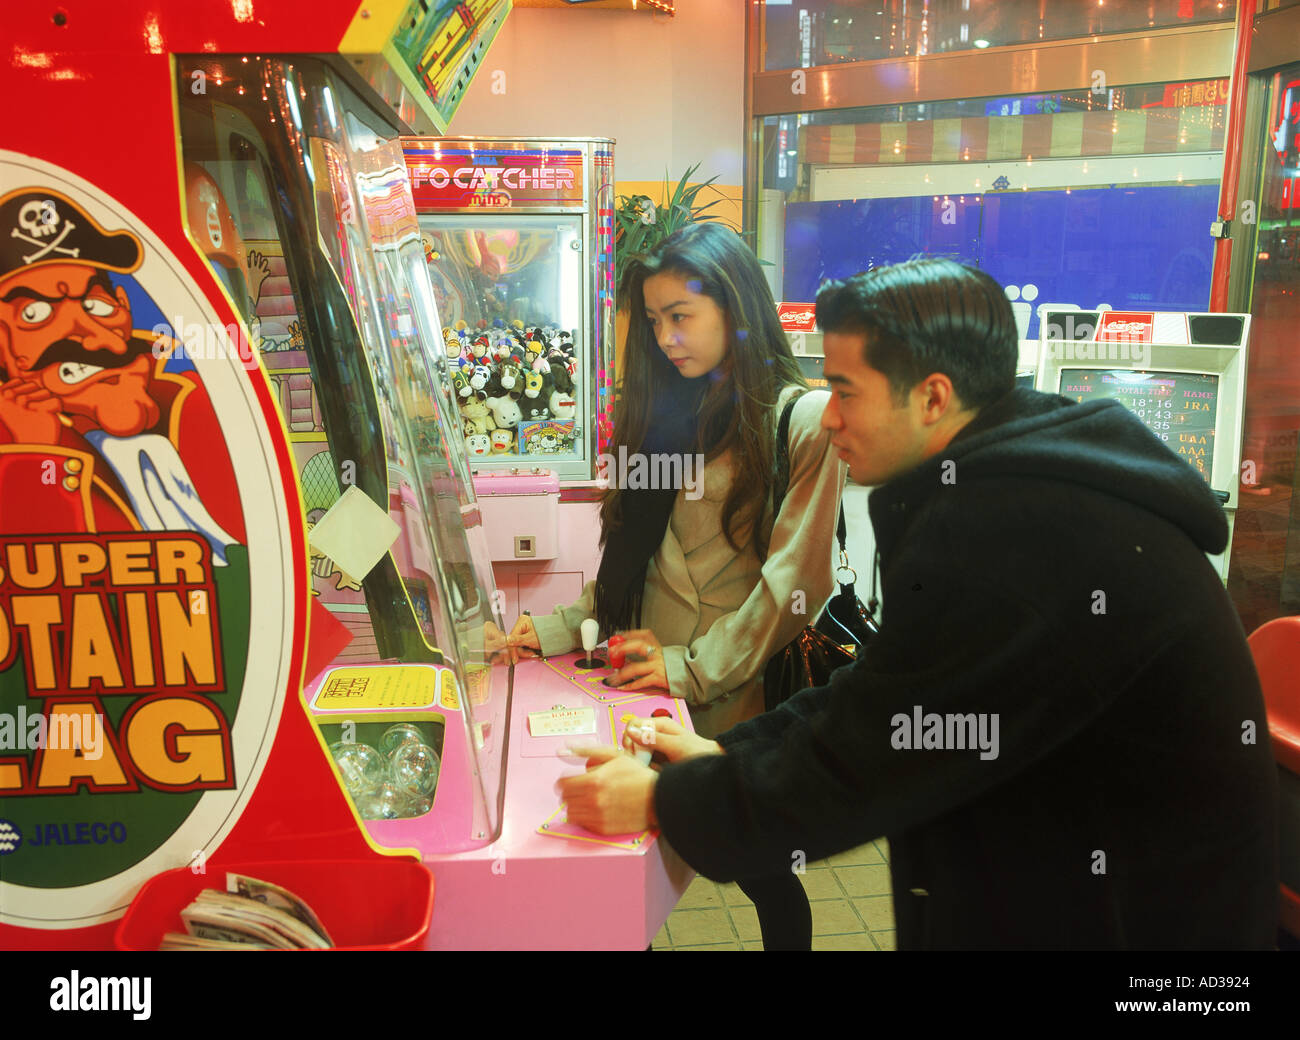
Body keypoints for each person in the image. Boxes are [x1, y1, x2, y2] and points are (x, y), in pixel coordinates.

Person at [559, 257, 1279, 950]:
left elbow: (868, 759)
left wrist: (665, 803)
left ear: (932, 396)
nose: (829, 417)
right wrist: (725, 749)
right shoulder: (999, 482)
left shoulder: (1018, 531)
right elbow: (883, 693)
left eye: (844, 391)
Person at [508, 221, 847, 949]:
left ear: (735, 307)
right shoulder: (665, 409)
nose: (666, 338)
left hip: (731, 689)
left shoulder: (803, 420)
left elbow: (798, 584)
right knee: (619, 849)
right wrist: (561, 628)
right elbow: (636, 556)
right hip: (641, 680)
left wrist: (694, 669)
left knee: (757, 863)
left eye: (682, 316)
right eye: (654, 320)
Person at [0, 188, 244, 557]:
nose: (91, 337)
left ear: (124, 308)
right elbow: (48, 593)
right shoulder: (17, 452)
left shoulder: (202, 403)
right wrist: (39, 456)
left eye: (96, 305)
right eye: (36, 315)